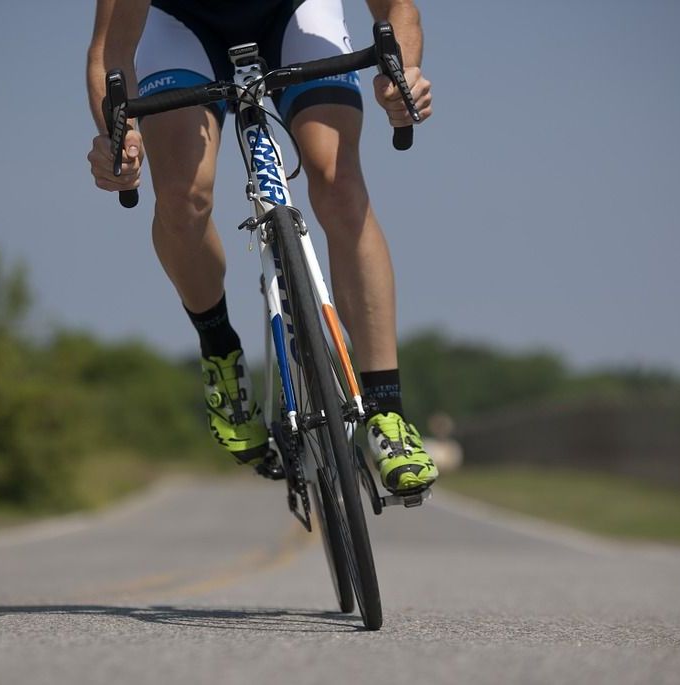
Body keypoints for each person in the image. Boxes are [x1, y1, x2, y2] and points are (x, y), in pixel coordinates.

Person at [87, 0, 437, 494]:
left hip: (296, 11)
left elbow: (397, 8)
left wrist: (401, 75)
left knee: (338, 182)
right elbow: (111, 50)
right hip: (182, 24)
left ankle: (388, 412)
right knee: (184, 197)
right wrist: (115, 138)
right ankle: (220, 352)